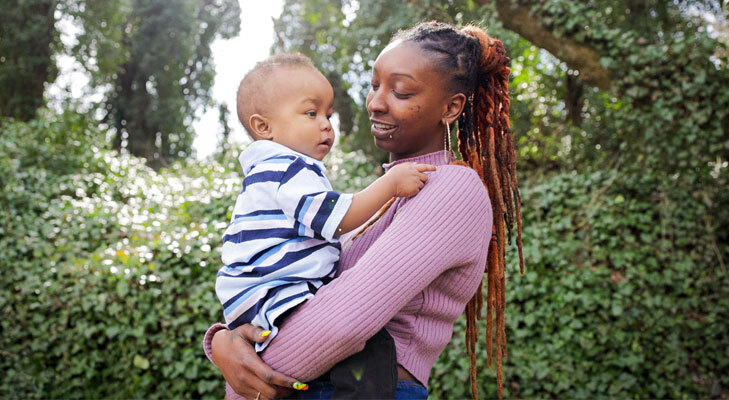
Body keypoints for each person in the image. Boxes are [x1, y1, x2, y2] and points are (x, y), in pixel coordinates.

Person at [205, 21, 523, 400]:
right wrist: (224, 341)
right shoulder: (370, 204)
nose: (375, 102)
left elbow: (341, 324)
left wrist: (240, 385)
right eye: (375, 85)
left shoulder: (452, 188)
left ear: (451, 108)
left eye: (401, 90)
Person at [217, 53, 437, 397]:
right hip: (281, 294)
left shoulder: (266, 174)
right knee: (373, 348)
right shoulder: (287, 169)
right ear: (264, 127)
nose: (325, 125)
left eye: (328, 114)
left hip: (260, 300)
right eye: (311, 113)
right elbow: (335, 218)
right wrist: (390, 186)